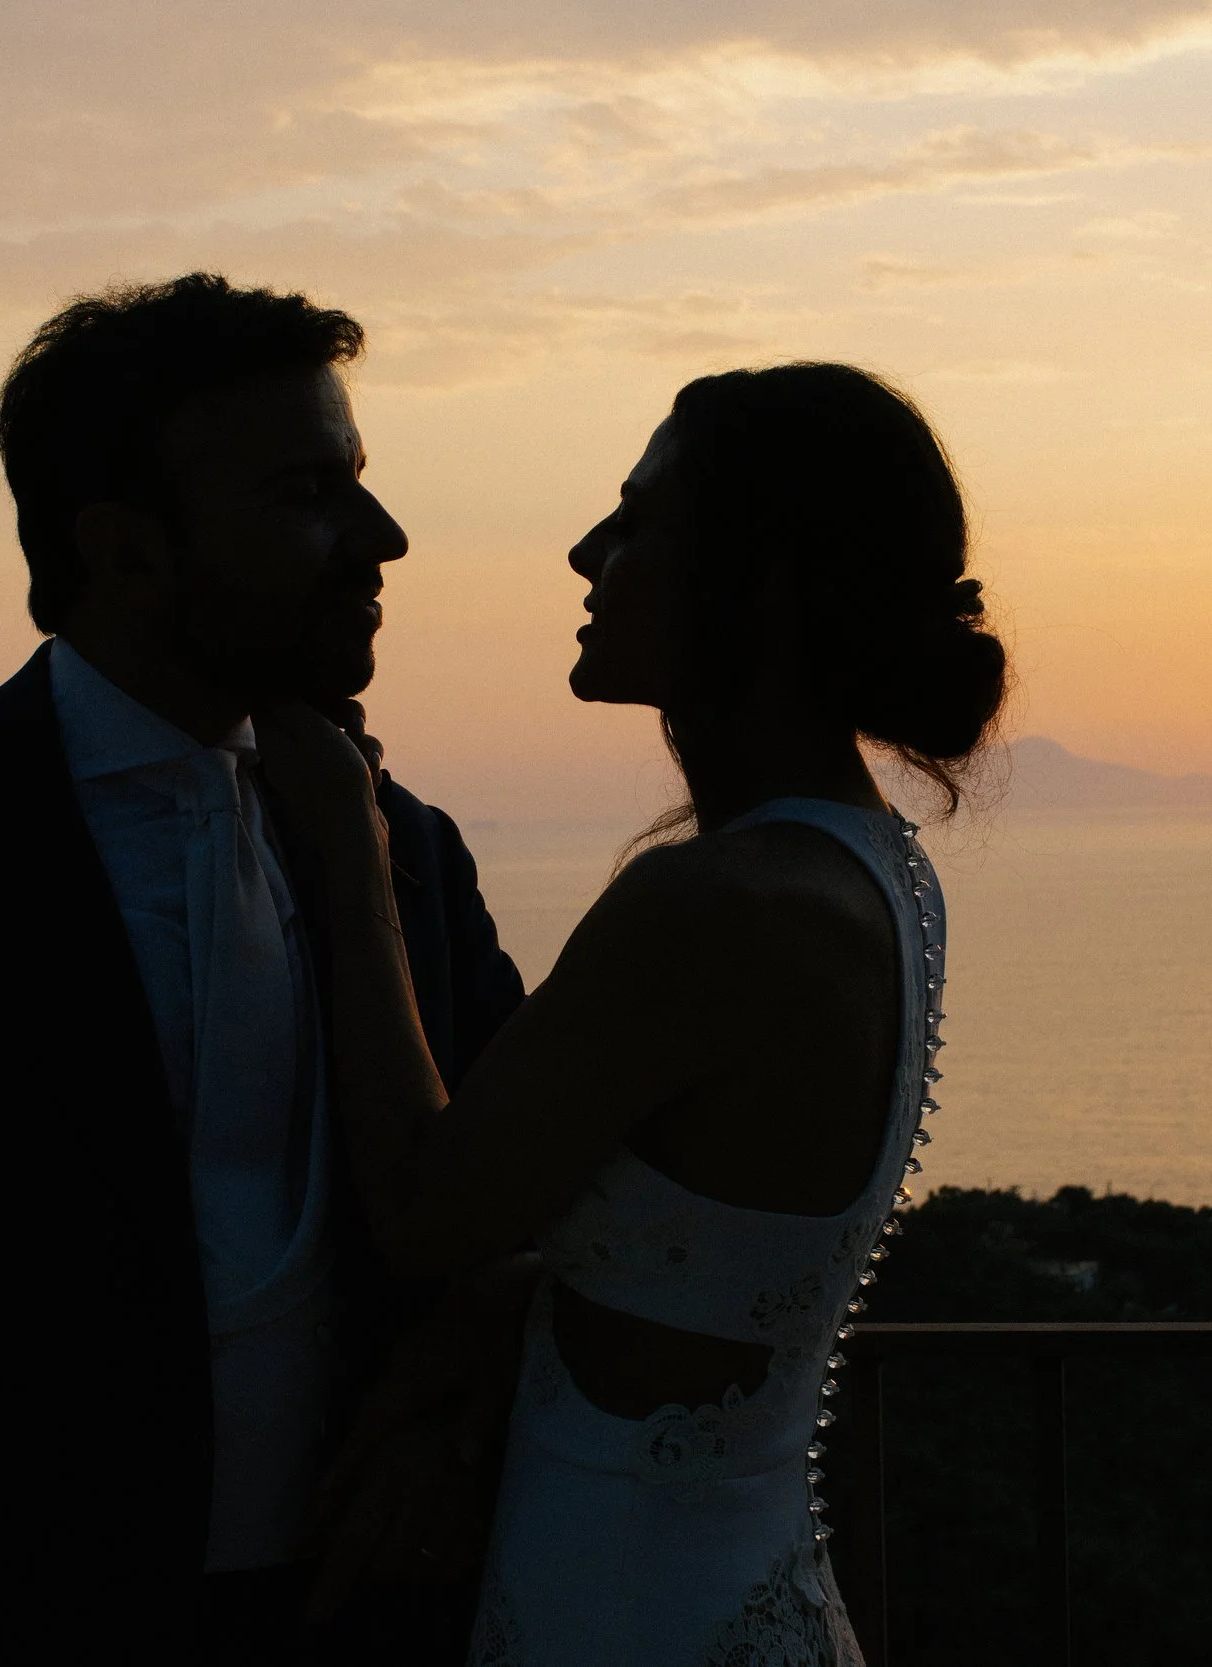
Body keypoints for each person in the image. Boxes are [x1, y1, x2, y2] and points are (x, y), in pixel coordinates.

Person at [0, 274, 528, 1665]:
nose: (381, 538)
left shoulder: (407, 849)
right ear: (126, 548)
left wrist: (457, 1411)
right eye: (307, 495)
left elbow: (527, 1198)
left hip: (369, 1618)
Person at [252, 361, 1009, 1664]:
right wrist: (522, 1305)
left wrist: (350, 848)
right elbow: (689, 1241)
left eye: (640, 520)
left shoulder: (717, 903)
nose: (587, 554)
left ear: (762, 585)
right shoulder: (873, 868)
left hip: (631, 1613)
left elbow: (428, 1209)